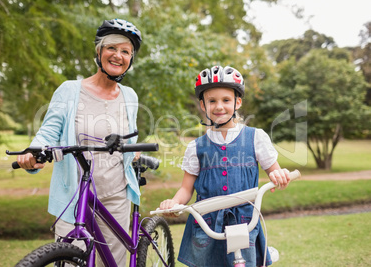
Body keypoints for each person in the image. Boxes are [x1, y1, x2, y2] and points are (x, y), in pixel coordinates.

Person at [16, 18, 143, 266]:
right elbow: (48, 131)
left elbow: (131, 136)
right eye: (111, 48)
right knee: (70, 256)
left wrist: (134, 153)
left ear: (131, 59)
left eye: (125, 51)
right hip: (76, 194)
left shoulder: (130, 96)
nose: (118, 55)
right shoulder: (69, 90)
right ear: (99, 52)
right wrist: (33, 153)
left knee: (113, 261)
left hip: (116, 195)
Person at [160, 65, 291, 267]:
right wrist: (174, 203)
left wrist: (280, 175)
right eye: (212, 101)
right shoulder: (196, 147)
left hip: (244, 222)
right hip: (207, 224)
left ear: (237, 102)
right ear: (203, 105)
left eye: (226, 100)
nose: (219, 106)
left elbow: (275, 171)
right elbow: (186, 189)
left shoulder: (255, 137)